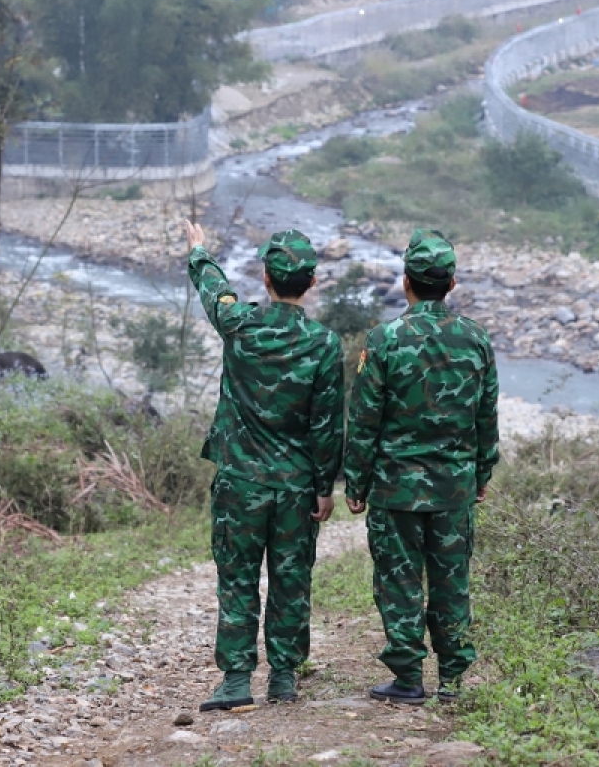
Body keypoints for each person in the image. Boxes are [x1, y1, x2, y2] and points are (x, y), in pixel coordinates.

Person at [183, 221, 345, 711]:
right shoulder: (324, 344)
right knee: (291, 575)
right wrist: (324, 487)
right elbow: (327, 425)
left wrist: (198, 251)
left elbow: (215, 293)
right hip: (296, 485)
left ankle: (236, 682)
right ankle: (284, 677)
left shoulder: (240, 325)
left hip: (241, 482)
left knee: (237, 576)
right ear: (312, 282)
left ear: (265, 278)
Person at [343, 229, 499, 705]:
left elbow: (364, 417)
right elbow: (485, 416)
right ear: (451, 284)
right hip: (453, 489)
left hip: (395, 490)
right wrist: (481, 475)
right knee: (452, 580)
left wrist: (356, 480)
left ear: (406, 280)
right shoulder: (475, 340)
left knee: (398, 579)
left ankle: (408, 677)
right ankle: (452, 680)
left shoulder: (385, 340)